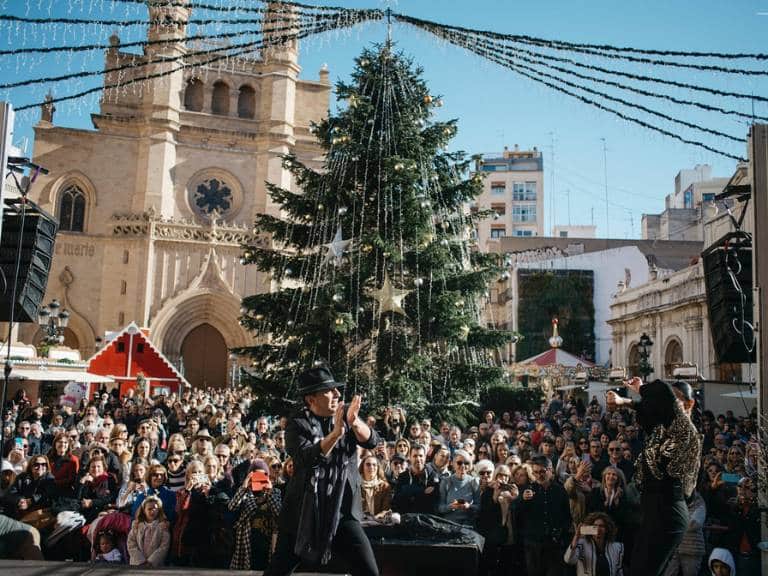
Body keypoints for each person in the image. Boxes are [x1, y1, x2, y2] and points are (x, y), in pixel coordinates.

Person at [264, 365, 379, 576]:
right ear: (311, 399)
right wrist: (335, 434)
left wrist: (354, 422)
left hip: (342, 510)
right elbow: (307, 458)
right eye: (329, 390)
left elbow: (372, 441)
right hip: (304, 512)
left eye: (336, 389)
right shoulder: (296, 423)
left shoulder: (346, 416)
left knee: (369, 571)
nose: (336, 394)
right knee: (278, 571)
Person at [607, 377, 701, 576]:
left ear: (689, 404)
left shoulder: (687, 431)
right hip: (652, 509)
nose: (666, 405)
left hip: (668, 512)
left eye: (677, 399)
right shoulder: (660, 431)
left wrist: (641, 388)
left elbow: (663, 399)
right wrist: (624, 401)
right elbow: (649, 410)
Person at [518, 455, 571, 576]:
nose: (539, 475)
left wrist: (560, 533)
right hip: (533, 545)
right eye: (535, 472)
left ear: (550, 470)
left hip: (554, 544)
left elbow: (566, 516)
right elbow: (519, 515)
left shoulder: (560, 490)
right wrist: (522, 500)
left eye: (542, 471)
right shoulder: (527, 490)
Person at [229, 459, 282, 570]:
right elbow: (232, 506)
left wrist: (269, 491)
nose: (260, 478)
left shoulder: (275, 492)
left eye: (263, 475)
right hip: (248, 541)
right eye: (256, 475)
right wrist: (244, 486)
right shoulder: (246, 494)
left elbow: (278, 513)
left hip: (267, 542)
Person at [564, 512, 624, 576]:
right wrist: (576, 537)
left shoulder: (617, 547)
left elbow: (619, 572)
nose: (598, 529)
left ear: (607, 529)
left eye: (601, 526)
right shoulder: (582, 544)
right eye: (595, 526)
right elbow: (569, 560)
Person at [392, 444, 441, 514]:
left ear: (425, 457)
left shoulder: (433, 476)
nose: (418, 459)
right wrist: (422, 491)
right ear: (410, 457)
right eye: (415, 456)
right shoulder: (403, 477)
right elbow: (397, 500)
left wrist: (407, 490)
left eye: (421, 456)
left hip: (426, 518)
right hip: (407, 516)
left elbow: (433, 501)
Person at [437, 449, 480, 525]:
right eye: (459, 463)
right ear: (453, 464)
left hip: (467, 525)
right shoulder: (446, 482)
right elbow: (440, 508)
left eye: (466, 463)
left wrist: (469, 506)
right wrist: (451, 507)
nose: (463, 466)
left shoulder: (474, 482)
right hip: (449, 524)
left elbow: (478, 507)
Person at [127, 495, 171, 567]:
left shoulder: (163, 526)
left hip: (155, 565)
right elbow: (131, 543)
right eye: (149, 509)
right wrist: (140, 560)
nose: (152, 511)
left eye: (155, 508)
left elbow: (164, 546)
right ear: (144, 510)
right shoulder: (137, 525)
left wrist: (151, 561)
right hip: (137, 565)